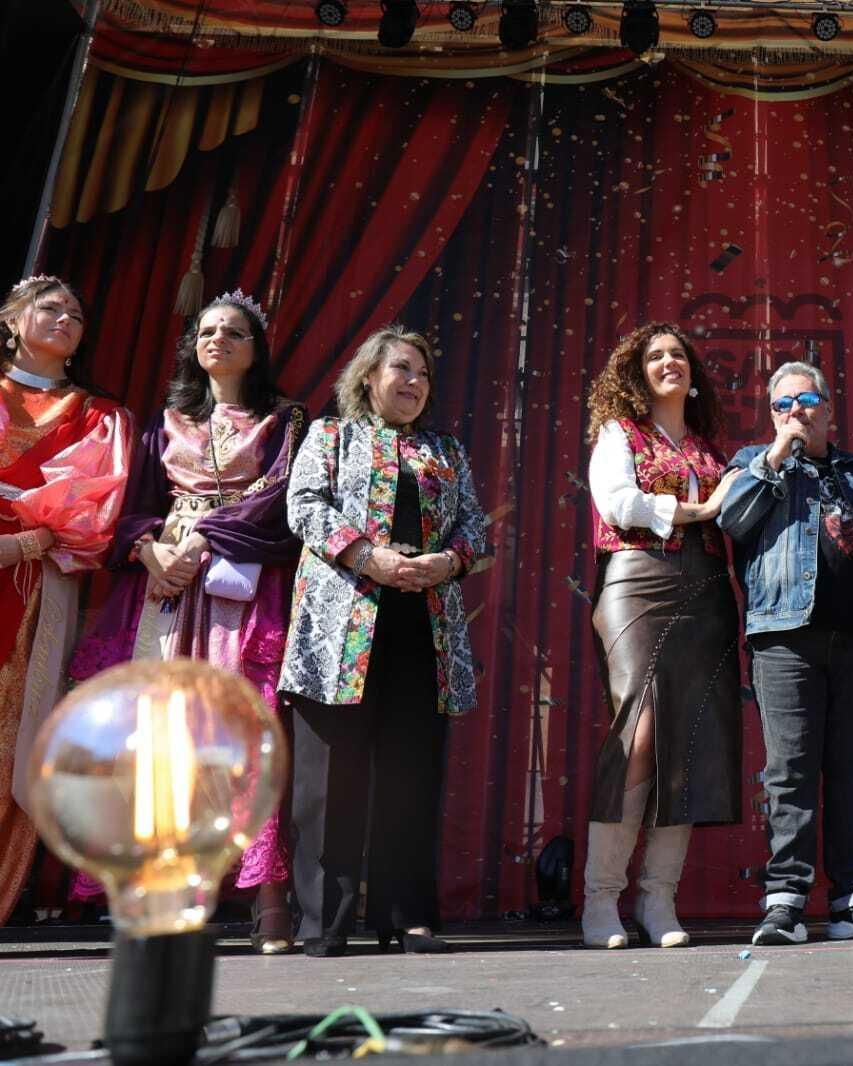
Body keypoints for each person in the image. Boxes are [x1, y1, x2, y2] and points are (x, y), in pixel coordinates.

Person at [66, 291, 303, 951]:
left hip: (240, 588)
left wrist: (201, 539)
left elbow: (277, 497)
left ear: (255, 349)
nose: (219, 340)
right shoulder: (164, 423)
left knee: (245, 732)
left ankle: (268, 904)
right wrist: (151, 549)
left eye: (234, 332)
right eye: (208, 331)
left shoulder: (283, 422)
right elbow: (135, 507)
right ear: (192, 346)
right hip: (163, 591)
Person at [279, 326, 488, 956]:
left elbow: (475, 525)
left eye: (423, 373)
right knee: (329, 778)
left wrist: (447, 562)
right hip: (340, 629)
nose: (414, 382)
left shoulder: (446, 449)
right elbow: (305, 506)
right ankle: (323, 921)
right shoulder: (331, 435)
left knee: (410, 775)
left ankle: (408, 915)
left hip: (421, 627)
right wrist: (370, 558)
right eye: (402, 369)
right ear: (368, 376)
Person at [718, 361, 853, 946]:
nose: (795, 411)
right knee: (790, 771)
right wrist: (776, 456)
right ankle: (786, 901)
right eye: (782, 404)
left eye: (806, 400)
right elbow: (733, 519)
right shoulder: (753, 463)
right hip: (783, 637)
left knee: (852, 772)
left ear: (829, 408)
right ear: (770, 414)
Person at [580, 323, 743, 949]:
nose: (668, 362)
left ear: (693, 373)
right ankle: (600, 901)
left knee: (690, 737)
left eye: (677, 354)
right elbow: (618, 503)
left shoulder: (710, 449)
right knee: (639, 727)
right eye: (655, 355)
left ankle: (657, 900)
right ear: (637, 372)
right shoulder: (619, 434)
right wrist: (698, 510)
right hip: (636, 576)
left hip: (707, 586)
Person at [0, 275, 131, 926]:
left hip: (39, 577)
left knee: (22, 727)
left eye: (76, 314)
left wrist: (29, 541)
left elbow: (90, 512)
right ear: (12, 321)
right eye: (50, 308)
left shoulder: (98, 417)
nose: (65, 319)